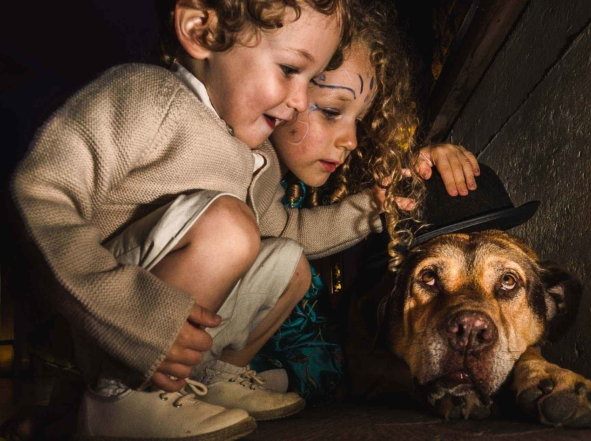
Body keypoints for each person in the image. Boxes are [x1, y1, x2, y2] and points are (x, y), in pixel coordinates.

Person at [10, 0, 351, 439]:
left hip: (165, 322)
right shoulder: (144, 96)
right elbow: (39, 191)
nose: (301, 101)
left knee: (291, 263)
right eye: (289, 69)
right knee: (230, 228)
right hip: (95, 315)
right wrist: (125, 310)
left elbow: (286, 228)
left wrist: (369, 212)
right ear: (201, 30)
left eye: (310, 79)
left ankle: (211, 379)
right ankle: (119, 398)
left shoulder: (256, 152)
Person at [246, 0, 480, 402]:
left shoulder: (318, 181)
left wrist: (425, 166)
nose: (350, 140)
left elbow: (366, 195)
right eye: (333, 110)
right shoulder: (236, 161)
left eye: (361, 119)